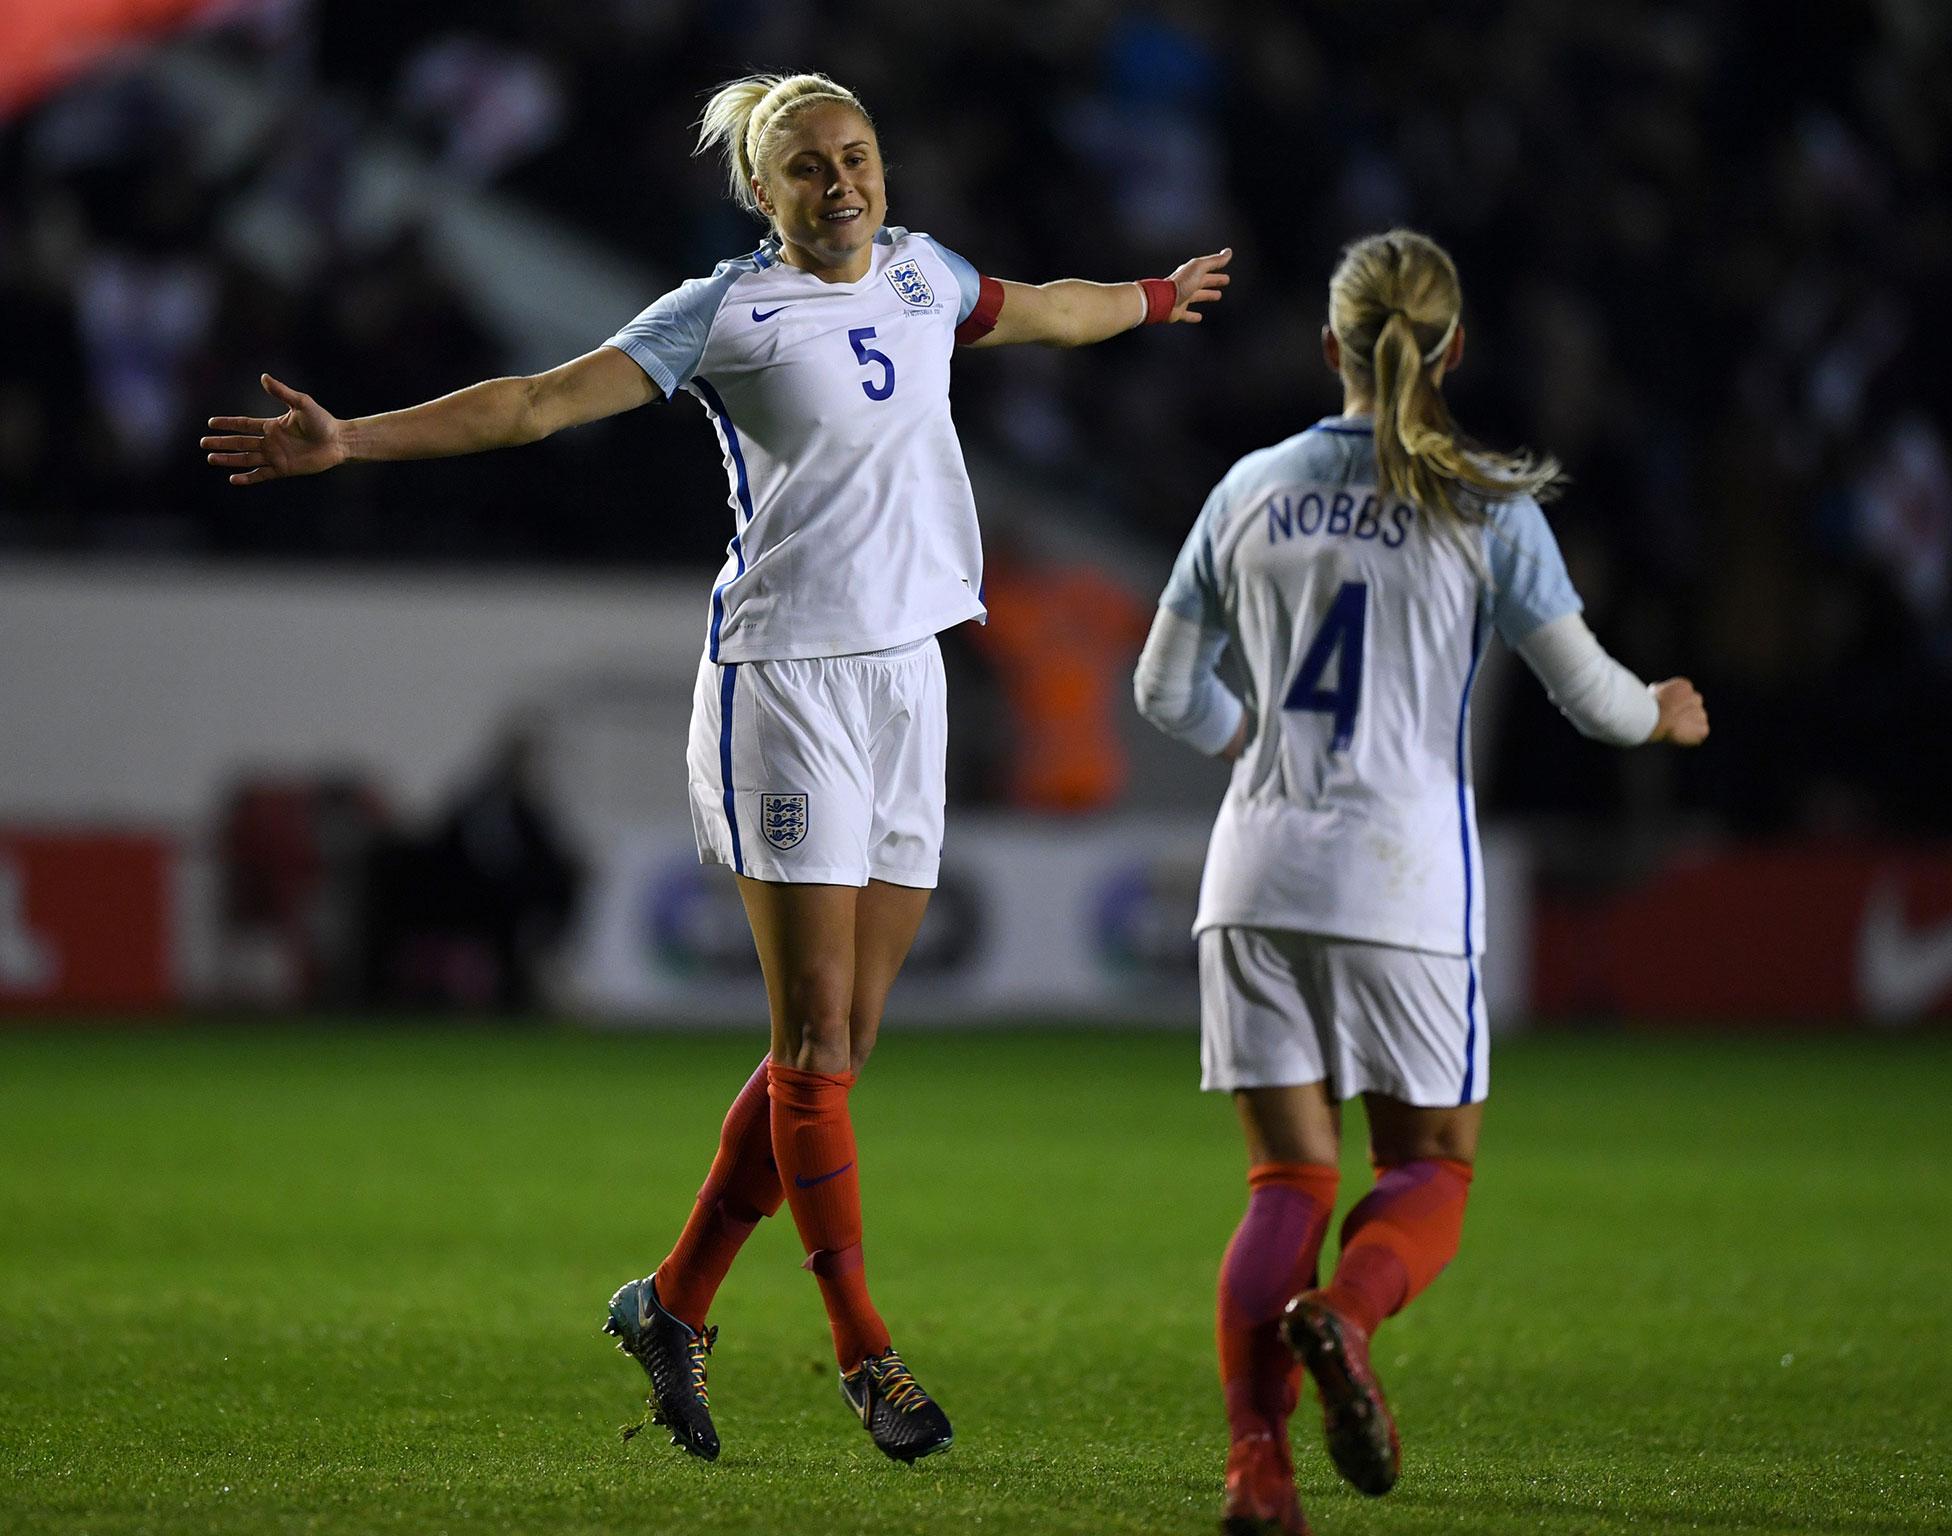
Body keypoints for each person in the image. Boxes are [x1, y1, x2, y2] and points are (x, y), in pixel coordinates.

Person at [201, 71, 1231, 1467]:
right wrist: (356, 439)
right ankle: (866, 1352)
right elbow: (535, 405)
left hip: (910, 679)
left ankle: (673, 1304)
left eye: (857, 156)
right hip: (786, 682)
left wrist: (1161, 299)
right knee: (813, 1037)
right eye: (807, 168)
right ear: (762, 194)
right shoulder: (725, 313)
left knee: (838, 1046)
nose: (843, 183)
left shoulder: (927, 277)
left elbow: (1053, 306)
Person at [1133, 229, 1707, 1534]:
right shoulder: (1484, 503)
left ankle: (1256, 1473)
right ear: (1453, 349)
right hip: (1400, 883)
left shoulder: (1249, 490)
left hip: (1257, 867)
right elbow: (1593, 699)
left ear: (1328, 344)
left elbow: (1163, 690)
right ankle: (1343, 1315)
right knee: (1433, 1169)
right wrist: (1663, 715)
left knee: (1286, 1187)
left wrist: (1253, 741)